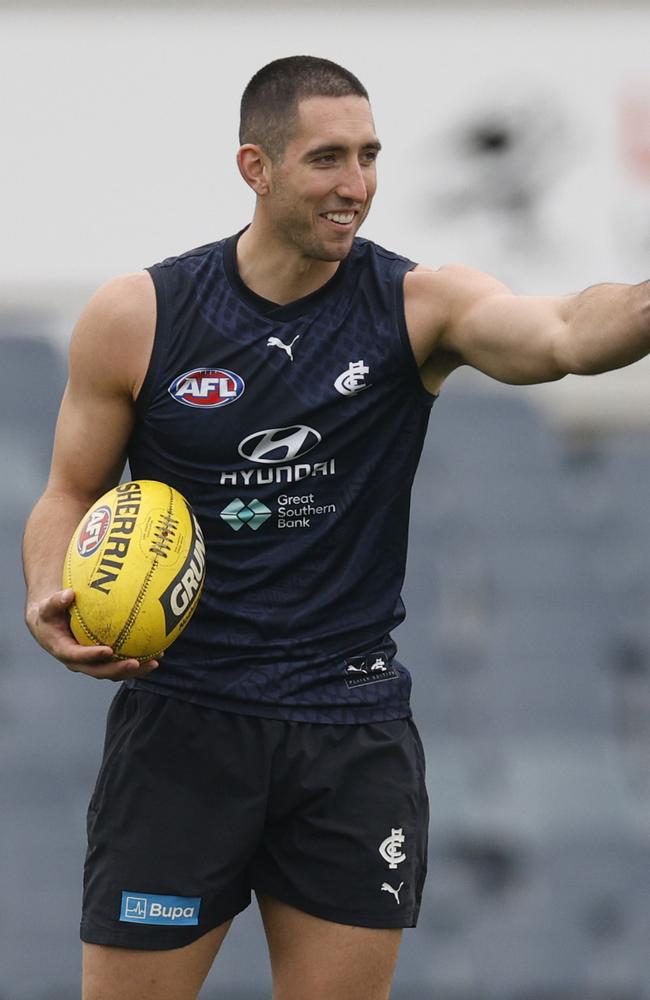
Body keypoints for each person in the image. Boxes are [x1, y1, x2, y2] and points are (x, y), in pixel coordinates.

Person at [22, 54, 650, 1000]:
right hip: (185, 728)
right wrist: (46, 587)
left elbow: (564, 332)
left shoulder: (417, 306)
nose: (355, 186)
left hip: (349, 738)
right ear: (255, 167)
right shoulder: (139, 316)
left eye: (368, 156)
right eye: (326, 159)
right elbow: (70, 491)